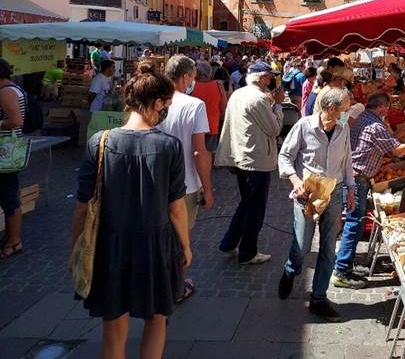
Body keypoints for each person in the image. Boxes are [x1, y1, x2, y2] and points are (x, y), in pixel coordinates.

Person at [71, 63, 190, 358]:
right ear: (158, 102)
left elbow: (83, 206)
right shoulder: (169, 146)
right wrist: (185, 246)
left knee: (112, 327)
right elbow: (176, 207)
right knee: (157, 317)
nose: (165, 111)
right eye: (165, 104)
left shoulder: (99, 142)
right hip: (155, 244)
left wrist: (76, 246)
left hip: (110, 243)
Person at [333, 93, 405, 287]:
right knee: (353, 223)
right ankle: (341, 271)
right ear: (382, 108)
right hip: (357, 179)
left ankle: (346, 264)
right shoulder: (375, 125)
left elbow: (387, 143)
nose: (387, 113)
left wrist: (402, 133)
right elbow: (396, 151)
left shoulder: (363, 118)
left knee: (355, 221)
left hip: (354, 176)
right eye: (387, 110)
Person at [277, 88, 355, 322]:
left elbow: (347, 159)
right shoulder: (304, 126)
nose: (348, 112)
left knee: (329, 248)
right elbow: (285, 156)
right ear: (331, 109)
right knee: (301, 246)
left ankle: (319, 298)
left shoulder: (344, 128)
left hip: (335, 189)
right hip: (308, 191)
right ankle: (291, 269)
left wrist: (350, 189)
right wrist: (295, 181)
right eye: (345, 109)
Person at [216, 61, 284, 265]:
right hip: (256, 159)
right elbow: (274, 129)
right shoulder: (258, 99)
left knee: (246, 203)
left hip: (240, 155)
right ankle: (248, 251)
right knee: (255, 207)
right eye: (270, 77)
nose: (272, 80)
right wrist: (278, 105)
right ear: (262, 77)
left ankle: (229, 242)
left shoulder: (239, 94)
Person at [157, 56, 212, 301]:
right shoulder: (194, 105)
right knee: (181, 239)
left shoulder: (154, 101)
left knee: (160, 235)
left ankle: (162, 282)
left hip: (156, 181)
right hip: (186, 183)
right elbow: (199, 150)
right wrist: (207, 188)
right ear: (186, 77)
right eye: (193, 78)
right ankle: (176, 288)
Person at [0, 59, 27, 259]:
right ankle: (12, 238)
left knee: (9, 197)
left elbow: (15, 120)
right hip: (8, 152)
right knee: (9, 195)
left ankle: (13, 241)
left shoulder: (5, 92)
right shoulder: (14, 88)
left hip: (5, 153)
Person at [191, 61, 227, 153]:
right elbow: (224, 107)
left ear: (197, 73)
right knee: (209, 155)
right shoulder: (218, 86)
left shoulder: (191, 86)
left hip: (195, 127)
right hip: (212, 126)